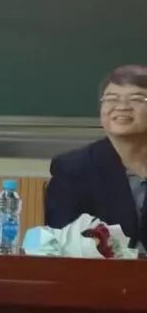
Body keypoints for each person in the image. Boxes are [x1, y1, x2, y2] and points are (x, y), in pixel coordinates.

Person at [46, 65, 147, 248]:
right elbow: (64, 243)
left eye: (136, 99)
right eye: (111, 99)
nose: (122, 107)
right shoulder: (74, 169)